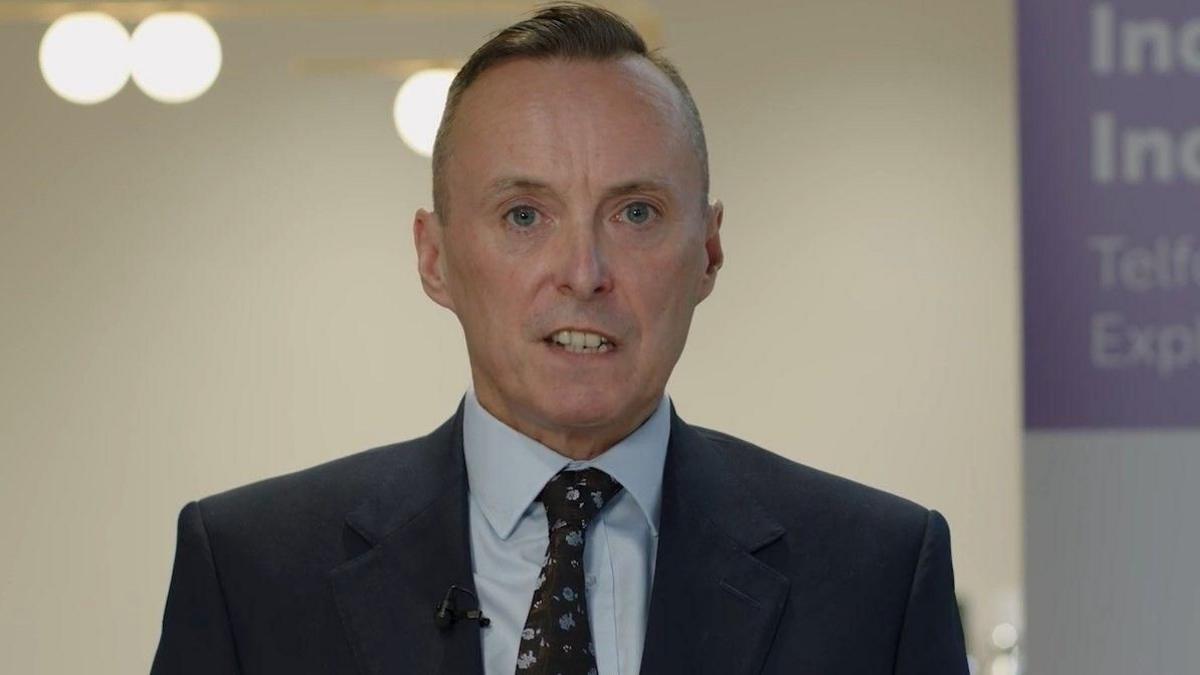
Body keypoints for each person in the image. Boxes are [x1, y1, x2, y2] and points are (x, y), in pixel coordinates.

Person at [150, 3, 969, 674]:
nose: (583, 272)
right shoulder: (250, 572)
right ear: (434, 257)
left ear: (709, 252)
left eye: (636, 212)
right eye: (523, 215)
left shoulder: (880, 574)